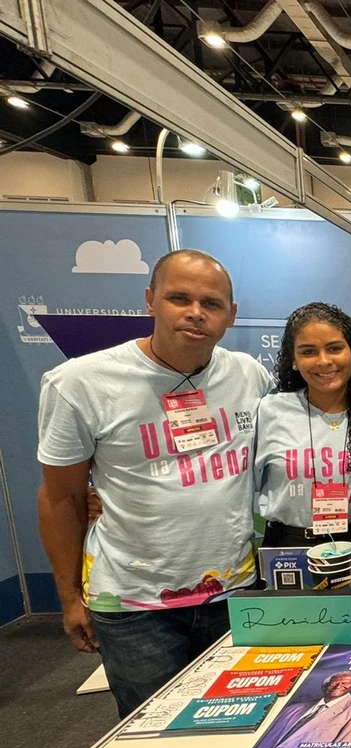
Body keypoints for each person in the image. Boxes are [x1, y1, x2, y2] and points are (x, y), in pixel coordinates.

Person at [37, 249, 272, 719]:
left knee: (243, 719)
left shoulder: (250, 374)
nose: (195, 313)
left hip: (238, 591)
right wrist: (69, 599)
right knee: (156, 732)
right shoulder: (80, 383)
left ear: (231, 316)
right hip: (135, 604)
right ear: (149, 301)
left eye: (212, 303)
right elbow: (60, 497)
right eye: (178, 298)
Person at [255, 303, 351, 586]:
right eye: (308, 351)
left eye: (335, 348)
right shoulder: (270, 410)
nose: (324, 361)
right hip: (289, 550)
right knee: (291, 631)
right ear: (293, 359)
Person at [258, 670, 351, 748]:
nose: (338, 686)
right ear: (325, 686)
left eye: (345, 683)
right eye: (334, 682)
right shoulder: (294, 708)